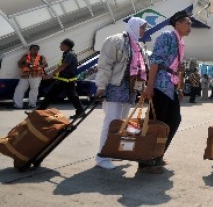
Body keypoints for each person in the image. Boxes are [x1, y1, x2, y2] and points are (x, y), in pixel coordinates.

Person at [141, 10, 192, 173]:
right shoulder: (167, 37)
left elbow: (177, 68)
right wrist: (149, 87)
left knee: (174, 120)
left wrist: (180, 87)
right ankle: (146, 159)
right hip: (161, 85)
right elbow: (155, 61)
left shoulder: (180, 42)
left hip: (171, 85)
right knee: (157, 122)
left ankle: (157, 154)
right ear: (177, 23)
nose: (190, 26)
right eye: (187, 23)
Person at [94, 17, 148, 170]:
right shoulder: (115, 41)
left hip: (129, 90)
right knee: (112, 122)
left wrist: (141, 87)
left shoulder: (138, 45)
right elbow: (105, 64)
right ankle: (102, 156)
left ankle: (113, 152)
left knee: (123, 123)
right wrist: (101, 85)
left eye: (144, 28)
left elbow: (141, 69)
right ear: (134, 26)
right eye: (142, 27)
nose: (143, 31)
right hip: (115, 87)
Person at [38, 39, 84, 117]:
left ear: (66, 46)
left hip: (67, 80)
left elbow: (63, 66)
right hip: (62, 80)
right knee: (49, 95)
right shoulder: (66, 54)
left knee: (72, 97)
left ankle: (81, 111)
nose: (60, 46)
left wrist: (51, 74)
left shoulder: (70, 54)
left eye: (61, 45)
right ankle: (38, 111)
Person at [13, 44, 48, 109]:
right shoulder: (25, 56)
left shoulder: (41, 57)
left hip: (36, 76)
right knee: (19, 90)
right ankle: (18, 105)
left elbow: (45, 65)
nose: (35, 50)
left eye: (36, 49)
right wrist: (27, 65)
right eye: (33, 49)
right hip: (25, 76)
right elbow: (19, 64)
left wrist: (35, 66)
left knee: (34, 90)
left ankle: (32, 105)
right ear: (30, 50)